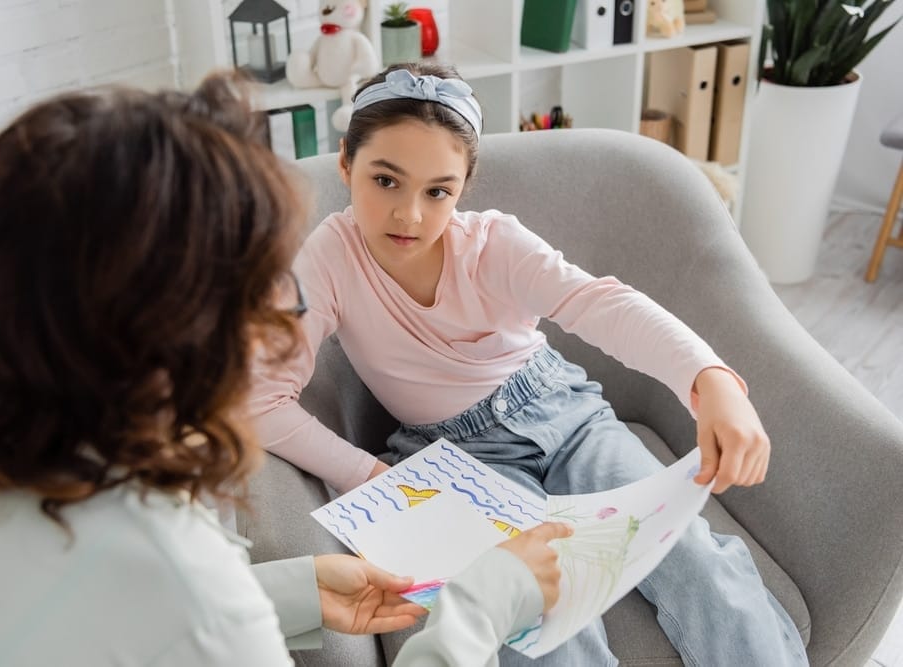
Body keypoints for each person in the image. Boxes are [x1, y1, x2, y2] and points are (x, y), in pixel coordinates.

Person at [0, 70, 573, 666]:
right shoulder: (192, 591)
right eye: (258, 292)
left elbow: (84, 615)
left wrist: (281, 592)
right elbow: (171, 610)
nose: (275, 328)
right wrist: (484, 605)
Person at [248, 62, 810, 666]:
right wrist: (369, 476)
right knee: (539, 622)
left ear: (462, 187)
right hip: (454, 461)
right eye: (386, 181)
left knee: (693, 561)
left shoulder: (492, 244)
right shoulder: (328, 258)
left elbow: (601, 305)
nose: (409, 214)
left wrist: (709, 377)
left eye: (438, 191)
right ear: (345, 165)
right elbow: (259, 401)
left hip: (565, 417)